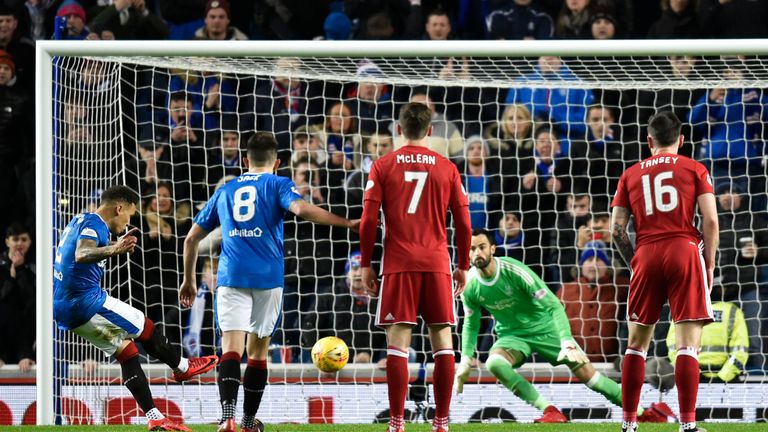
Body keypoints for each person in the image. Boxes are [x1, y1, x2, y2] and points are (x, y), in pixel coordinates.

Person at [179, 132, 359, 432]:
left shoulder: (225, 190)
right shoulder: (278, 184)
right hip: (268, 278)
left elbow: (191, 239)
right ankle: (249, 423)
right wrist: (347, 222)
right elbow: (301, 209)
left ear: (245, 160)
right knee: (258, 352)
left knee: (231, 349)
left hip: (231, 276)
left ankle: (227, 418)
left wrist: (189, 280)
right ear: (277, 163)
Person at [455, 229, 670, 424]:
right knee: (494, 363)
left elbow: (554, 306)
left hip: (547, 329)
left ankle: (642, 414)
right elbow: (471, 324)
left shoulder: (515, 271)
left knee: (591, 378)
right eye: (472, 248)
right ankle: (549, 411)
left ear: (492, 248)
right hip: (513, 336)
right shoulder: (470, 285)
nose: (477, 253)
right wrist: (465, 358)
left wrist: (566, 340)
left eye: (481, 247)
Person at [53, 185, 218, 432]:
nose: (128, 221)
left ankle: (154, 417)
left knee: (126, 352)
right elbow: (82, 253)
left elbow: (83, 249)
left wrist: (113, 244)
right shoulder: (95, 223)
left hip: (64, 306)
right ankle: (182, 367)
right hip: (84, 301)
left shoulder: (80, 219)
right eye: (129, 214)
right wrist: (115, 248)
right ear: (118, 208)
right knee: (145, 326)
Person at [359, 102, 472, 432]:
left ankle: (396, 423)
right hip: (437, 262)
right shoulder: (447, 167)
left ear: (398, 130)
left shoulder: (382, 165)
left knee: (398, 343)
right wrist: (462, 264)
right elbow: (464, 225)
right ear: (430, 130)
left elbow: (368, 221)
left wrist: (367, 263)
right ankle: (441, 423)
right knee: (443, 342)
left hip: (398, 262)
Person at [611, 111, 718, 432]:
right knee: (687, 344)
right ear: (681, 141)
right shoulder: (694, 168)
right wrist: (709, 262)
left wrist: (636, 262)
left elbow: (616, 230)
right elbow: (711, 220)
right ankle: (687, 424)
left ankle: (629, 424)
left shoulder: (630, 174)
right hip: (683, 251)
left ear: (649, 141)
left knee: (636, 344)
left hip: (645, 253)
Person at [666, 301, 748, 383]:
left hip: (692, 378)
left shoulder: (683, 309)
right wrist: (724, 376)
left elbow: (674, 348)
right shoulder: (733, 310)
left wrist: (692, 372)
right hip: (724, 380)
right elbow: (741, 352)